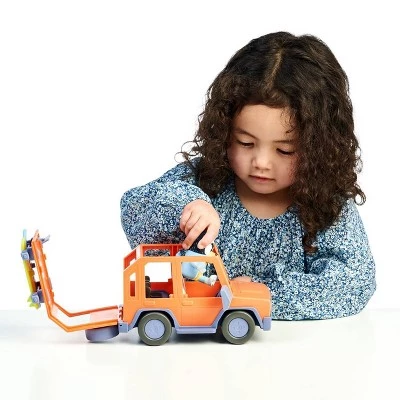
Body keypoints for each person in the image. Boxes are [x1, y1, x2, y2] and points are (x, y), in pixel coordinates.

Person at [120, 31, 376, 320]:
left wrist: (260, 294)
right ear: (224, 131)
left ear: (318, 148)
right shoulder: (207, 180)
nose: (261, 163)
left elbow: (355, 282)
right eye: (245, 143)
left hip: (290, 346)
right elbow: (134, 207)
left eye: (285, 150)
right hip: (198, 340)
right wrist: (188, 205)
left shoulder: (326, 206)